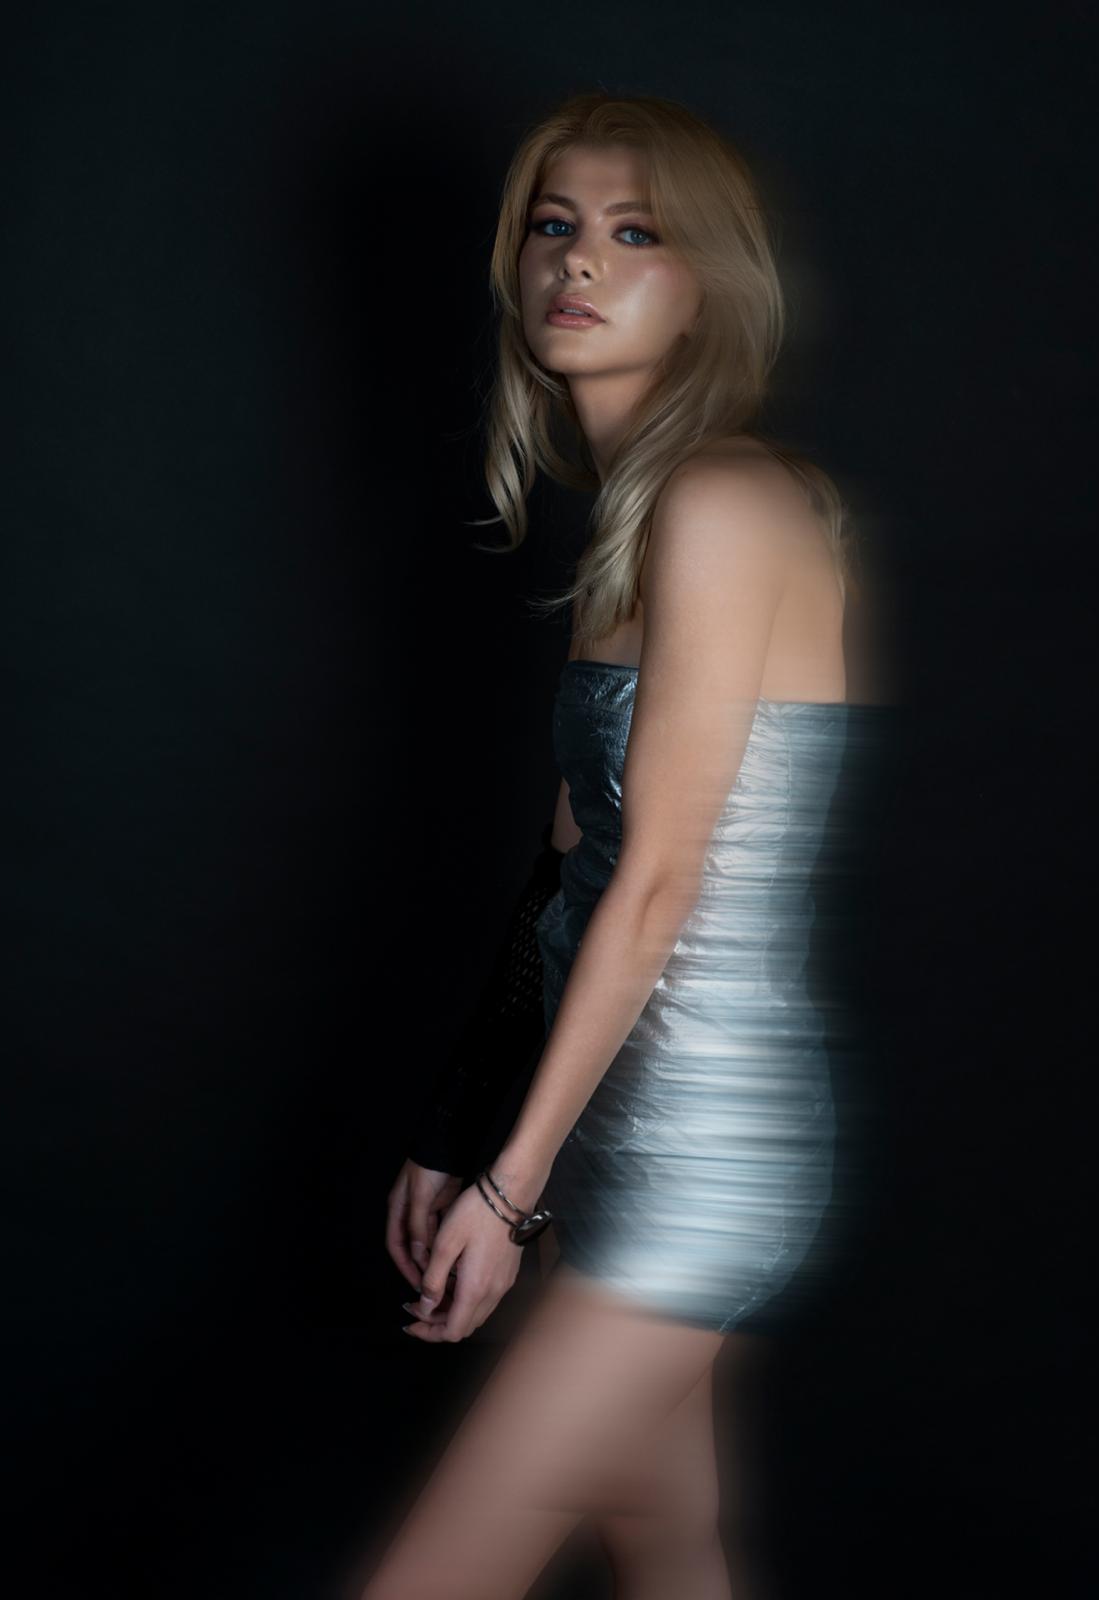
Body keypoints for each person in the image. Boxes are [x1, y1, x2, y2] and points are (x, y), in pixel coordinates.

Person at [364, 90, 869, 1600]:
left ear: (708, 286)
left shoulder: (724, 498)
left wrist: (504, 1193)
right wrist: (458, 1126)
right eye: (554, 225)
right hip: (604, 1115)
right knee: (669, 1545)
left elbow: (656, 885)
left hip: (703, 1147)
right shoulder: (639, 524)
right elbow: (568, 868)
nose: (577, 261)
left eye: (635, 233)